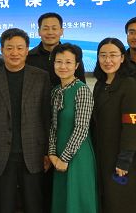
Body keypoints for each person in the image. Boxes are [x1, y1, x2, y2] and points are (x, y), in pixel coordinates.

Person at [0, 28, 51, 213]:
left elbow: (47, 118)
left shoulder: (41, 77)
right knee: (3, 206)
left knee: (34, 205)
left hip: (34, 153)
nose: (14, 53)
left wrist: (48, 151)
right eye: (9, 48)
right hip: (0, 154)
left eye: (19, 48)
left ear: (27, 50)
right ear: (2, 50)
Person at [91, 38, 136, 213]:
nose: (108, 60)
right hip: (103, 155)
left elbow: (132, 125)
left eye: (113, 55)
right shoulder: (100, 84)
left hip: (122, 158)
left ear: (122, 58)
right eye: (103, 55)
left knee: (122, 203)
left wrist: (124, 160)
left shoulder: (128, 85)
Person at [48, 43, 98, 213]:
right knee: (62, 200)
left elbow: (81, 128)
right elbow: (53, 125)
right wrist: (52, 153)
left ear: (76, 65)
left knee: (78, 201)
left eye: (68, 62)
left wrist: (64, 158)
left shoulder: (82, 90)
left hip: (77, 154)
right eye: (58, 62)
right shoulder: (55, 91)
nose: (63, 66)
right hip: (58, 155)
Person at [27, 12, 86, 84]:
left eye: (54, 28)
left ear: (61, 31)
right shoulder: (29, 57)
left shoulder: (73, 55)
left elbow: (81, 84)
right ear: (39, 32)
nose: (50, 32)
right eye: (45, 29)